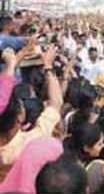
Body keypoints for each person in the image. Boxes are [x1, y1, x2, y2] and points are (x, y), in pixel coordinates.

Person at [0, 47, 63, 182]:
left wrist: (16, 60)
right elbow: (56, 103)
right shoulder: (28, 143)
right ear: (20, 117)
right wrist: (48, 66)